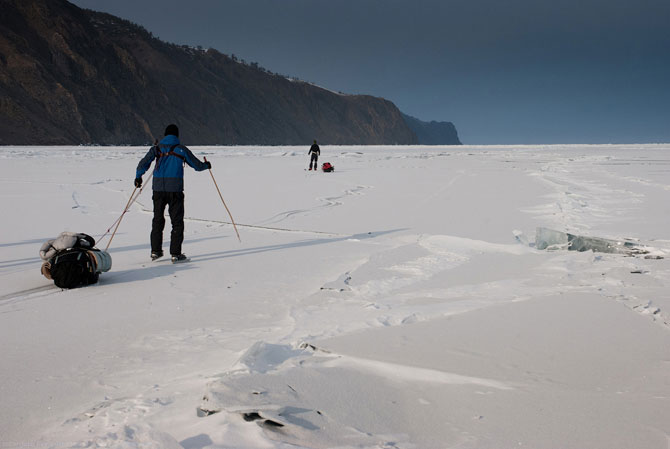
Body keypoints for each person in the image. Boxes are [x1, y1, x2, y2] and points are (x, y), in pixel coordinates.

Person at [134, 124, 211, 263]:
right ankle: (175, 254)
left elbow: (143, 163)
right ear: (176, 135)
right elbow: (197, 166)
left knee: (157, 220)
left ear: (165, 135)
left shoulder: (156, 149)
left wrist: (138, 177)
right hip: (175, 190)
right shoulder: (181, 149)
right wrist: (207, 165)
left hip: (158, 190)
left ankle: (155, 251)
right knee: (177, 222)